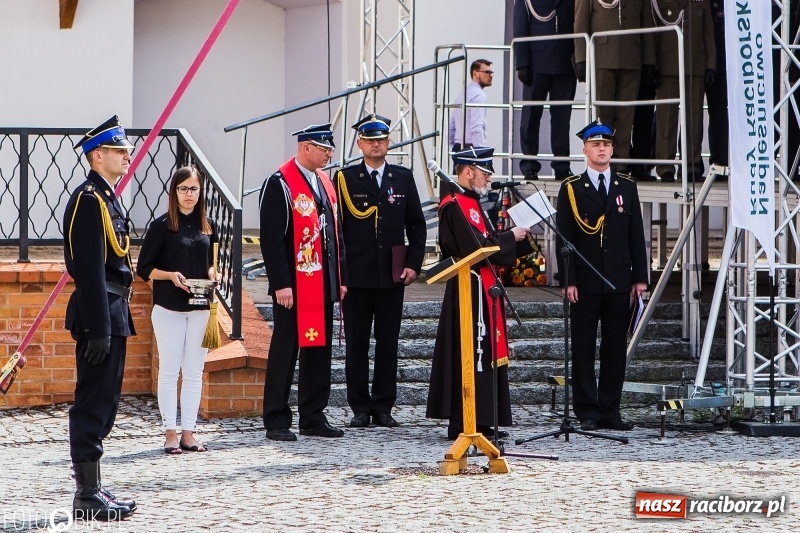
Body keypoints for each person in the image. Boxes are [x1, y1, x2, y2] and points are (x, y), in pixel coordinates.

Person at [426, 147, 533, 440]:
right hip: (468, 287)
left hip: (484, 286)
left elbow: (488, 241)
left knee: (484, 351)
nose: (487, 179)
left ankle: (486, 419)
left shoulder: (471, 201)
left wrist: (518, 239)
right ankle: (465, 420)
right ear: (468, 171)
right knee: (472, 352)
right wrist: (511, 237)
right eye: (484, 173)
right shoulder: (454, 204)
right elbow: (472, 247)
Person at [63, 115, 137, 520]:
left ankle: (94, 487)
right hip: (100, 311)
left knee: (105, 402)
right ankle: (86, 495)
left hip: (113, 308)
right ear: (98, 156)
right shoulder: (88, 200)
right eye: (119, 151)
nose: (127, 156)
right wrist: (98, 327)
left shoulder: (107, 198)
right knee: (92, 403)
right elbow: (89, 268)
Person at [555, 119, 648, 431]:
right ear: (585, 150)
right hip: (585, 279)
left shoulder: (626, 186)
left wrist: (640, 277)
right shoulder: (571, 189)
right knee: (583, 347)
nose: (602, 149)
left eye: (607, 144)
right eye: (596, 144)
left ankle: (610, 410)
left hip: (619, 279)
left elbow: (636, 235)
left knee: (613, 348)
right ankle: (588, 411)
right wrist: (567, 280)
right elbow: (565, 239)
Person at [336, 114, 427, 429]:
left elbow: (416, 223)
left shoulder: (402, 178)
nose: (377, 144)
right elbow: (337, 229)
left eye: (382, 139)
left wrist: (414, 263)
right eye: (371, 139)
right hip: (357, 275)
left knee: (388, 342)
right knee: (357, 344)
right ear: (360, 143)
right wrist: (340, 272)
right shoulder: (345, 179)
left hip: (392, 273)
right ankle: (360, 407)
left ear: (389, 143)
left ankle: (384, 406)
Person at [259, 123, 348, 442]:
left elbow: (335, 236)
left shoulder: (325, 181)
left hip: (321, 282)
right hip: (293, 287)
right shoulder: (280, 183)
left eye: (330, 149)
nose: (329, 153)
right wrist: (280, 283)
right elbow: (270, 240)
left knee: (318, 352)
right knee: (286, 351)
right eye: (324, 148)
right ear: (305, 147)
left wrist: (340, 278)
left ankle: (313, 415)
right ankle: (276, 418)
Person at [137, 166, 220, 455]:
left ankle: (189, 432)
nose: (188, 194)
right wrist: (170, 275)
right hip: (169, 307)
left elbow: (212, 261)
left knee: (195, 372)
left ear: (200, 192)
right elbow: (144, 268)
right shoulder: (161, 226)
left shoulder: (207, 225)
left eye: (193, 189)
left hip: (200, 308)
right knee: (170, 371)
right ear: (174, 192)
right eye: (183, 189)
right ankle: (170, 433)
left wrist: (213, 272)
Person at [574, 0, 656, 172]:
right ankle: (602, 164)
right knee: (602, 117)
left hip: (632, 57)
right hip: (602, 57)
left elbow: (646, 22)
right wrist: (581, 57)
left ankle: (621, 164)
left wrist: (649, 60)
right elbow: (581, 20)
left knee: (626, 117)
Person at [652, 0, 716, 182]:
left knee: (694, 119)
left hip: (695, 64)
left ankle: (692, 166)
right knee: (666, 119)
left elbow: (708, 32)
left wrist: (710, 64)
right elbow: (654, 30)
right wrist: (653, 64)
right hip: (667, 64)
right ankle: (665, 167)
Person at [513, 0, 576, 181]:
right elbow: (520, 26)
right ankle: (530, 166)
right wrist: (522, 63)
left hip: (565, 65)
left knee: (562, 121)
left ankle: (562, 167)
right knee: (530, 119)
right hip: (536, 66)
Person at [448, 59, 494, 152]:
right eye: (487, 72)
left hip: (459, 146)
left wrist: (453, 144)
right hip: (470, 148)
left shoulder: (462, 94)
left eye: (491, 72)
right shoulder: (479, 95)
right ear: (475, 74)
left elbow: (452, 123)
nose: (491, 75)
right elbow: (477, 126)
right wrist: (480, 151)